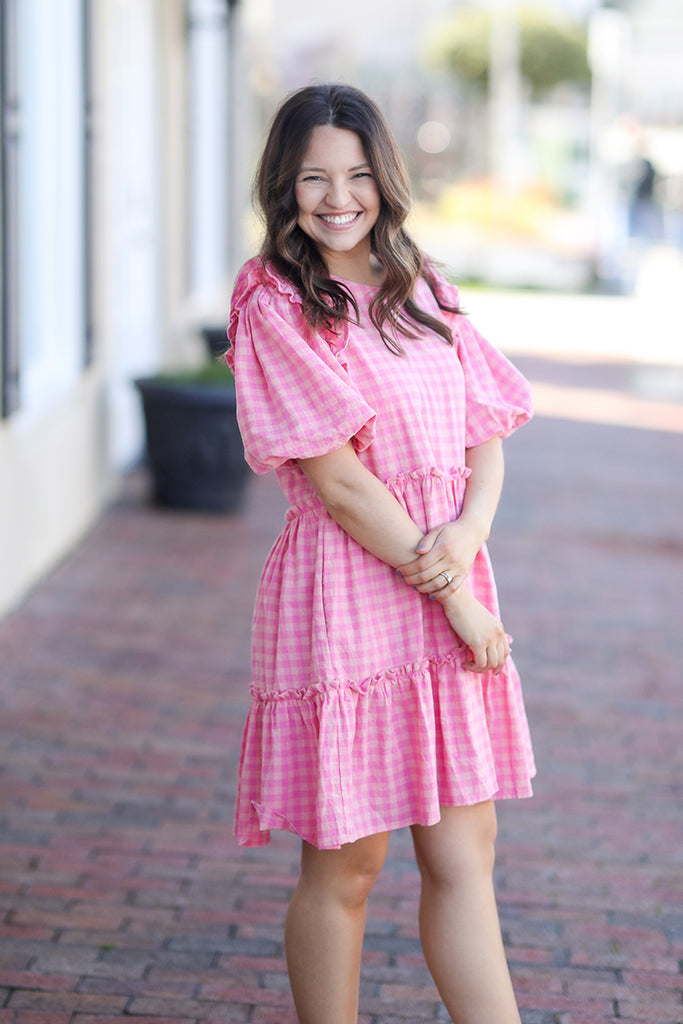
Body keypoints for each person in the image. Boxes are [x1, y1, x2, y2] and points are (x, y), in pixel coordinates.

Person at [226, 83, 535, 1024]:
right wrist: (458, 597)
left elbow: (487, 429)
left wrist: (471, 535)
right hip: (349, 587)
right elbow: (342, 485)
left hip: (444, 564)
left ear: (385, 179)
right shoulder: (271, 296)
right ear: (283, 183)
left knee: (461, 856)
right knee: (349, 865)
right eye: (313, 176)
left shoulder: (424, 284)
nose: (336, 197)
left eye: (356, 174)